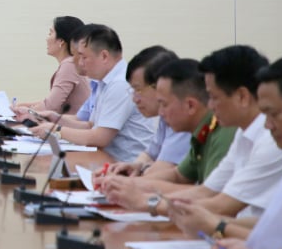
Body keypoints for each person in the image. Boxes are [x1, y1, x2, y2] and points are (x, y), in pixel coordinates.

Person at [108, 45, 282, 219]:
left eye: (214, 97)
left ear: (242, 97)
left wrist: (147, 202)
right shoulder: (242, 134)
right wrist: (129, 186)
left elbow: (220, 204)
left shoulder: (269, 141)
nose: (209, 105)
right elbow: (204, 191)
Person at [168, 55, 282, 243]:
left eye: (274, 114)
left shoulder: (274, 145)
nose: (268, 125)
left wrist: (217, 226)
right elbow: (277, 225)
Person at [100, 58, 236, 203]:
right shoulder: (202, 130)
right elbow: (178, 175)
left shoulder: (222, 132)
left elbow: (208, 195)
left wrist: (141, 196)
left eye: (164, 104)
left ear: (190, 105)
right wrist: (124, 183)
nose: (161, 113)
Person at [31, 25, 155, 162]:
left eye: (83, 57)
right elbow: (90, 125)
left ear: (104, 56)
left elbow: (100, 138)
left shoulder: (120, 84)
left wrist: (57, 131)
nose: (80, 63)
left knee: (45, 162)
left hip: (125, 164)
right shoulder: (106, 81)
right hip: (105, 158)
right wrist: (56, 119)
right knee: (46, 161)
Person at [97, 47, 186, 179]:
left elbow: (165, 168)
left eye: (138, 90)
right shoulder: (164, 116)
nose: (134, 99)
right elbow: (150, 153)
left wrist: (137, 172)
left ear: (161, 85)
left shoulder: (182, 116)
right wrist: (135, 166)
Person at [13, 16, 91, 116]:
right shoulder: (71, 63)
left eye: (50, 33)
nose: (47, 38)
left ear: (61, 41)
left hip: (70, 128)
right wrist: (23, 105)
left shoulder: (69, 65)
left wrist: (23, 111)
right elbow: (50, 102)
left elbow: (50, 106)